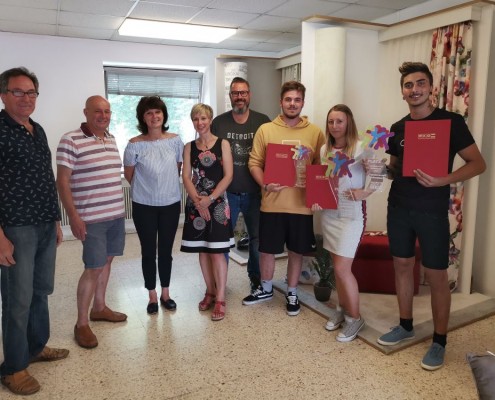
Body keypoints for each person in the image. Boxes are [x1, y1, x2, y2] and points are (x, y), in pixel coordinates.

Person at [377, 62, 486, 370]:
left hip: (432, 211)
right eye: (408, 85)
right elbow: (395, 169)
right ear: (402, 92)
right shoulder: (397, 127)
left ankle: (439, 341)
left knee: (436, 275)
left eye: (420, 83)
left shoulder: (450, 122)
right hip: (398, 207)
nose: (415, 89)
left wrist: (443, 180)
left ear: (431, 88)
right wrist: (379, 169)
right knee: (402, 266)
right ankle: (405, 325)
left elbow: (478, 163)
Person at [0, 67, 69, 396]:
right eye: (18, 91)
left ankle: (36, 346)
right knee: (18, 299)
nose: (26, 98)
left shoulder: (36, 129)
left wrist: (55, 220)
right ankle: (13, 368)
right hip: (15, 227)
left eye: (31, 92)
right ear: (3, 95)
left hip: (43, 224)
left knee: (41, 291)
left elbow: (45, 177)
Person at [245, 81, 325, 316]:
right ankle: (266, 288)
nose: (292, 104)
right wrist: (265, 184)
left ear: (303, 103)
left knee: (296, 251)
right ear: (281, 102)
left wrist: (318, 194)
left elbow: (321, 168)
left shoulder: (315, 132)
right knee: (267, 250)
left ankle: (292, 292)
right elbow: (254, 163)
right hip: (272, 204)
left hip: (301, 206)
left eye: (297, 100)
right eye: (288, 99)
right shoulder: (266, 130)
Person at [56, 95, 127, 350]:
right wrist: (74, 216)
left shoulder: (111, 138)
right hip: (92, 219)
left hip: (115, 215)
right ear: (85, 112)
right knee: (93, 268)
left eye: (107, 111)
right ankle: (82, 323)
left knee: (107, 262)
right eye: (98, 111)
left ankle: (99, 307)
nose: (103, 116)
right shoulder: (70, 140)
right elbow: (62, 181)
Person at [312, 104, 377, 341]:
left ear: (348, 122)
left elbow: (378, 176)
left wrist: (364, 192)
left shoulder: (361, 148)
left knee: (342, 269)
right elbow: (323, 180)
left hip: (351, 216)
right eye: (331, 121)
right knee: (336, 268)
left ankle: (355, 319)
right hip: (330, 215)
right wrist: (317, 199)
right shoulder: (324, 149)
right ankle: (342, 309)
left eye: (339, 121)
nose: (335, 126)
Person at [123, 96, 184, 315]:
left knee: (166, 251)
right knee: (148, 251)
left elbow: (177, 169)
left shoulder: (176, 141)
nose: (154, 116)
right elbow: (129, 175)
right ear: (143, 117)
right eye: (149, 112)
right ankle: (151, 295)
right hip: (144, 205)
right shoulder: (134, 144)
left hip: (170, 204)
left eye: (157, 112)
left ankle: (166, 293)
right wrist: (149, 189)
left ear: (164, 115)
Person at [211, 77, 270, 298]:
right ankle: (220, 285)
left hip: (256, 193)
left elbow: (271, 155)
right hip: (227, 194)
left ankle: (256, 281)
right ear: (230, 96)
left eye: (243, 93)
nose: (239, 97)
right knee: (222, 241)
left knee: (257, 240)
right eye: (235, 93)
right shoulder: (219, 123)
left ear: (249, 95)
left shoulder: (263, 122)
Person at [180, 103, 234, 321]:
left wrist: (209, 200)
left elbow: (228, 176)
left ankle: (220, 298)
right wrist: (198, 201)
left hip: (218, 203)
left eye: (203, 118)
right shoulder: (188, 147)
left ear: (210, 120)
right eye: (196, 119)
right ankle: (210, 291)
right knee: (203, 250)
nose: (199, 122)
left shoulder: (223, 144)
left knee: (217, 252)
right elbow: (186, 176)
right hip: (196, 205)